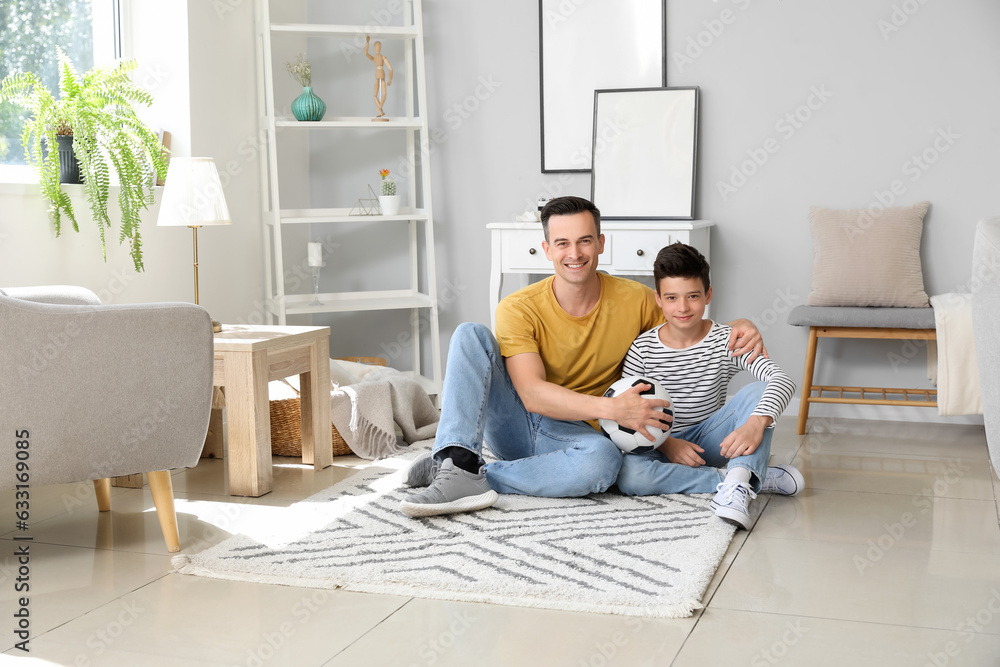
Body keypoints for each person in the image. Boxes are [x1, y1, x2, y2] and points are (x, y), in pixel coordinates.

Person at [399, 196, 766, 518]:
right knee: (469, 333)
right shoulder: (518, 307)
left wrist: (737, 324)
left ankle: (468, 477)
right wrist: (614, 410)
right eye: (562, 243)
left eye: (584, 241)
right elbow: (531, 393)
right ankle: (457, 457)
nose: (574, 254)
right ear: (547, 249)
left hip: (588, 440)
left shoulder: (635, 299)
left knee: (603, 464)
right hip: (520, 424)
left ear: (601, 243)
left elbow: (684, 323)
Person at [614, 242, 803, 529]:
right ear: (659, 299)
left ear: (708, 295)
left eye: (692, 296)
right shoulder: (642, 348)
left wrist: (756, 422)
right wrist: (667, 445)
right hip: (661, 445)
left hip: (712, 442)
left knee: (757, 391)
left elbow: (782, 380)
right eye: (672, 298)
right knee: (629, 476)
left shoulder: (727, 340)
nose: (683, 307)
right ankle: (744, 478)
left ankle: (738, 486)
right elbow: (628, 415)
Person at [365, 36, 392, 119]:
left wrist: (390, 79)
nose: (377, 48)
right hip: (378, 73)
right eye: (376, 47)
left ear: (380, 47)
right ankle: (380, 109)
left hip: (380, 73)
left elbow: (390, 68)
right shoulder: (375, 58)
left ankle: (379, 108)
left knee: (384, 93)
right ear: (374, 48)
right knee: (375, 95)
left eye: (378, 46)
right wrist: (367, 43)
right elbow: (366, 53)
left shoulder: (382, 57)